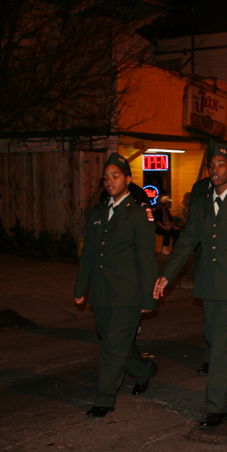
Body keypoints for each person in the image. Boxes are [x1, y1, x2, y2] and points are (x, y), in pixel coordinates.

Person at [154, 140, 227, 428]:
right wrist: (168, 274)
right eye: (211, 165)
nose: (215, 170)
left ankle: (216, 406)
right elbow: (189, 238)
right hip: (209, 282)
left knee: (221, 348)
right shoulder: (201, 197)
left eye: (221, 165)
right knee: (215, 338)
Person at [74, 153, 159, 418]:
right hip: (101, 291)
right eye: (107, 177)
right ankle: (143, 370)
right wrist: (80, 288)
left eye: (116, 176)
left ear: (128, 180)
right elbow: (88, 252)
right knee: (108, 336)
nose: (110, 181)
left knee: (112, 347)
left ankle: (104, 398)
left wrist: (149, 298)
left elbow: (147, 258)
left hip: (127, 293)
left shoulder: (138, 213)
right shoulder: (98, 211)